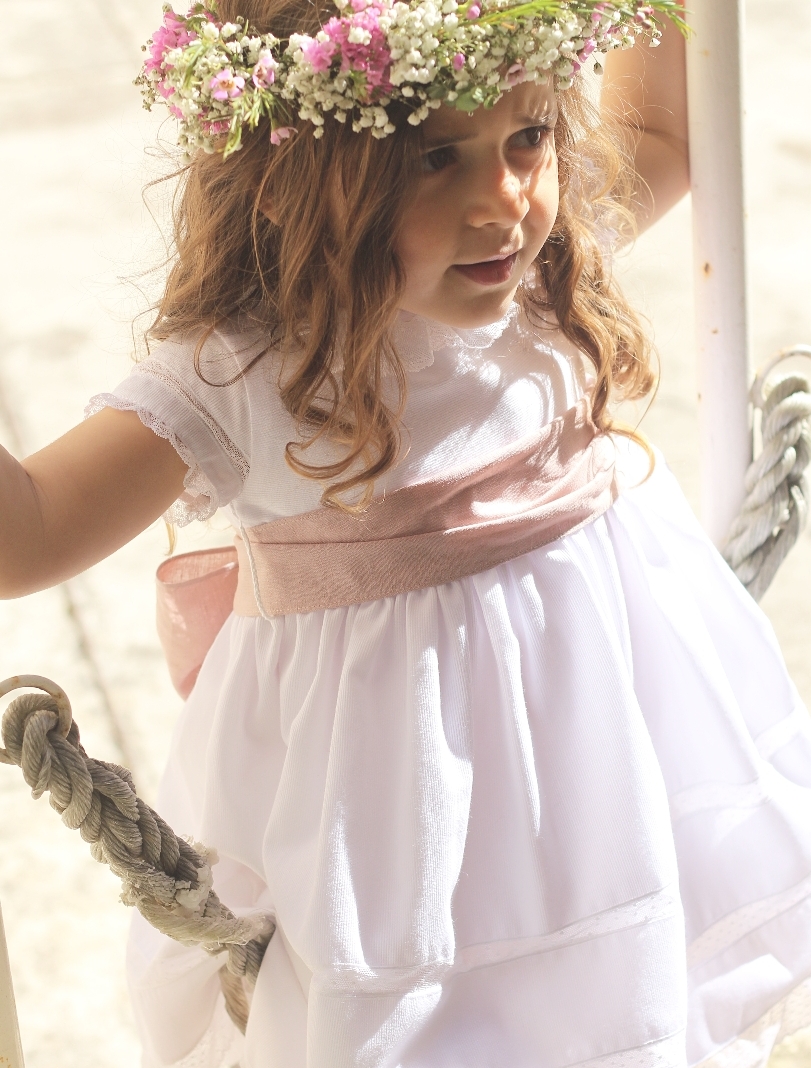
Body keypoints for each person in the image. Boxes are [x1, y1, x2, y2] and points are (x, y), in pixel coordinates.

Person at [2, 0, 811, 1065]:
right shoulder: (249, 371)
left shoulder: (548, 272)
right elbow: (31, 536)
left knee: (612, 1008)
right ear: (304, 177)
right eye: (435, 159)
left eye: (528, 136)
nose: (504, 201)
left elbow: (663, 138)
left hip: (605, 769)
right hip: (399, 827)